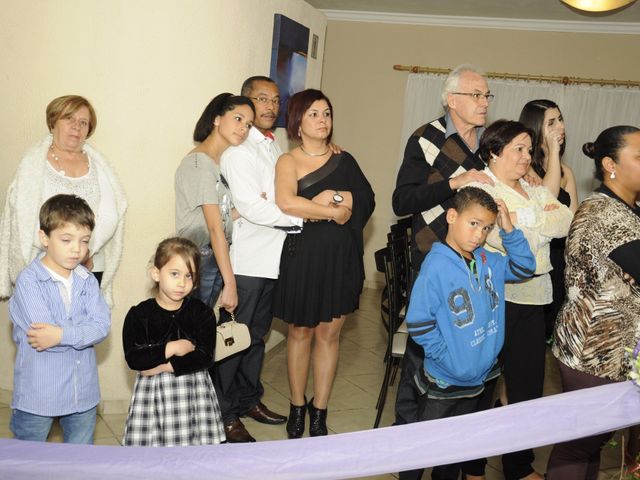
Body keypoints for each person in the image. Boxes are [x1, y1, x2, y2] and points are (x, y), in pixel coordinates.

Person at [392, 64, 495, 480]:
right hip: (435, 259)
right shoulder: (427, 138)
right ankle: (407, 454)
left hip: (481, 262)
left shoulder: (492, 142)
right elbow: (403, 200)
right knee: (423, 356)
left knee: (474, 351)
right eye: (476, 95)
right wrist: (456, 182)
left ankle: (458, 457)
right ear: (452, 99)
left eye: (487, 95)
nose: (484, 102)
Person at [406, 187, 535, 480]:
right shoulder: (436, 265)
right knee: (422, 446)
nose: (479, 234)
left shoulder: (487, 260)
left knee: (455, 451)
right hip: (445, 380)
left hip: (478, 377)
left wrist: (508, 229)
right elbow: (418, 323)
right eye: (473, 223)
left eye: (486, 227)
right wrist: (448, 358)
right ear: (452, 216)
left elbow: (525, 267)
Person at [470, 120, 573, 480]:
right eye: (518, 148)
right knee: (481, 387)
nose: (526, 156)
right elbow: (501, 241)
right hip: (496, 299)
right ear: (493, 151)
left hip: (534, 298)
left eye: (530, 149)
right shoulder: (480, 185)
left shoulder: (531, 188)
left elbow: (565, 220)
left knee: (527, 386)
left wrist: (526, 220)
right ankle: (473, 467)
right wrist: (535, 224)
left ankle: (519, 466)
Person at [273, 89, 375, 438]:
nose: (323, 120)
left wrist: (332, 197)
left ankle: (320, 410)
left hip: (341, 258)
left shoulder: (344, 159)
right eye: (314, 113)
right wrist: (333, 211)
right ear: (298, 122)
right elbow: (287, 203)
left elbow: (366, 199)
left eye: (327, 113)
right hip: (302, 257)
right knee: (300, 333)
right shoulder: (287, 161)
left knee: (329, 336)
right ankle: (297, 405)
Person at [547, 125, 640, 480]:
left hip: (616, 349)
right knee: (580, 443)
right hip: (593, 350)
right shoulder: (604, 214)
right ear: (609, 164)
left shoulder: (628, 210)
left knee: (593, 442)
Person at [215, 76, 303, 442]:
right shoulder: (238, 151)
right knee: (232, 340)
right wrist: (299, 215)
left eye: (275, 100)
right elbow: (252, 206)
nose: (270, 106)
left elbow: (276, 196)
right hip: (246, 262)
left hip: (272, 259)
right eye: (261, 99)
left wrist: (278, 202)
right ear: (246, 104)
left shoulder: (272, 146)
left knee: (257, 337)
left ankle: (248, 399)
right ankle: (222, 413)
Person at [0, 95, 127, 306]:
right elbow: (24, 218)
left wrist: (84, 250)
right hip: (41, 268)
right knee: (42, 334)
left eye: (83, 122)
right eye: (69, 118)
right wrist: (58, 255)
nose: (76, 127)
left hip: (89, 266)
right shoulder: (32, 164)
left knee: (84, 334)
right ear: (53, 122)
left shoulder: (99, 166)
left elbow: (109, 217)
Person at [8, 194, 110, 443]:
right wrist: (80, 333)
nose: (77, 249)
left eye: (84, 241)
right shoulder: (28, 282)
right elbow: (42, 337)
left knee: (79, 463)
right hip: (38, 396)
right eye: (66, 240)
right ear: (44, 238)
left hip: (83, 394)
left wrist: (61, 335)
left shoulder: (87, 280)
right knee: (29, 464)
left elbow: (102, 327)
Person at [122, 237, 225, 446]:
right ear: (156, 273)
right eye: (175, 274)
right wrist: (172, 347)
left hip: (194, 393)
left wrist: (163, 366)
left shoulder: (202, 313)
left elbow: (205, 357)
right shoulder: (139, 314)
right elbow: (134, 358)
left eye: (189, 276)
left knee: (193, 452)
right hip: (153, 397)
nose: (182, 283)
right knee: (154, 455)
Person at [175, 93, 255, 312]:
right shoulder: (199, 163)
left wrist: (251, 206)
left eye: (248, 124)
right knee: (194, 331)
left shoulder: (216, 163)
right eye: (238, 119)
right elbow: (213, 227)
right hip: (201, 256)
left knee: (199, 330)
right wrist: (230, 283)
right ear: (217, 118)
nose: (244, 128)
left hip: (212, 255)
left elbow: (219, 215)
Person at [519, 100, 578, 341]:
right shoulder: (523, 168)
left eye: (561, 119)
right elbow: (547, 199)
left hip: (561, 258)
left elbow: (574, 219)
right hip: (536, 260)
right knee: (532, 333)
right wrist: (553, 152)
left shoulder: (565, 171)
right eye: (551, 123)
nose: (560, 127)